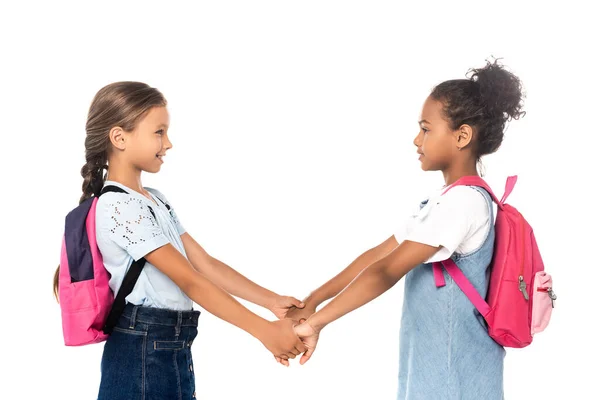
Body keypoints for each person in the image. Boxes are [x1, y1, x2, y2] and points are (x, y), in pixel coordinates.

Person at [53, 81, 306, 400]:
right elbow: (190, 280)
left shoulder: (154, 200)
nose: (168, 143)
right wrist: (263, 330)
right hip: (141, 350)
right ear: (119, 137)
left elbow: (205, 265)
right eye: (159, 132)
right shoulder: (119, 207)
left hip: (167, 346)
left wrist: (271, 302)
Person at [289, 59, 525, 400]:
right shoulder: (443, 203)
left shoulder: (463, 204)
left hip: (453, 381)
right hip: (436, 374)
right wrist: (311, 302)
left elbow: (385, 272)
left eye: (426, 129)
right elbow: (377, 256)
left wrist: (315, 324)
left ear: (461, 136)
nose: (417, 139)